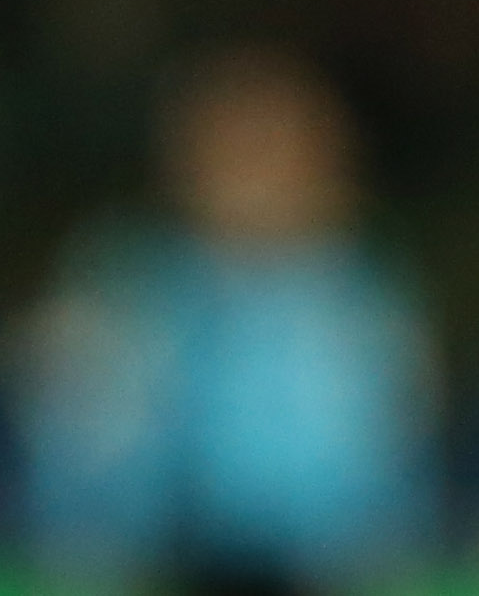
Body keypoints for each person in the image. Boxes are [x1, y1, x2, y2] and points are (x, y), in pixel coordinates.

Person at [19, 50, 435, 596]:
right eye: (237, 151)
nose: (258, 179)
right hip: (148, 566)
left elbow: (385, 484)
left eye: (277, 150)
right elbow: (80, 470)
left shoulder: (360, 300)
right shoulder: (126, 283)